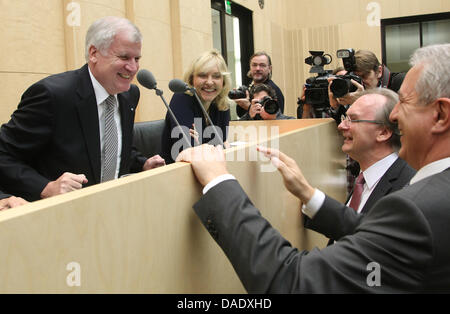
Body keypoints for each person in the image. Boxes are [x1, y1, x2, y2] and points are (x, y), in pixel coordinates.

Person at [176, 43, 450, 293]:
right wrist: (308, 193)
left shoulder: (417, 209)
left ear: (440, 115)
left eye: (404, 102)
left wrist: (219, 181)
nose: (393, 115)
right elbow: (368, 230)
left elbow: (293, 281)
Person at [0, 16, 165, 202]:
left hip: (114, 208)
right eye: (124, 57)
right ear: (94, 53)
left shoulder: (129, 94)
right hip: (61, 216)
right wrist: (46, 187)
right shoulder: (52, 95)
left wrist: (143, 164)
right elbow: (4, 155)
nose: (133, 67)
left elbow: (111, 147)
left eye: (137, 58)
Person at [303, 88, 415, 243]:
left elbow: (371, 243)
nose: (341, 126)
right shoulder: (363, 180)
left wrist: (309, 195)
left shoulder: (407, 188)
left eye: (352, 119)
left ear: (383, 132)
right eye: (345, 118)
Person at [160, 49, 232, 164]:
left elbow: (221, 144)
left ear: (223, 81)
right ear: (191, 79)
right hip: (177, 172)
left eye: (216, 76)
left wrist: (203, 146)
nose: (209, 82)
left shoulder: (222, 103)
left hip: (210, 168)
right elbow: (188, 151)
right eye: (203, 75)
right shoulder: (181, 98)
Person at [337, 49, 405, 106]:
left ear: (379, 71)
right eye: (357, 76)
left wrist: (363, 101)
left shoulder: (399, 82)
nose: (361, 81)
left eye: (364, 76)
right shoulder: (356, 87)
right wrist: (335, 107)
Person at [234, 52, 285, 118]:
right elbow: (241, 115)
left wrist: (249, 107)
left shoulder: (273, 90)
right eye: (254, 65)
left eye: (262, 65)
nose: (257, 68)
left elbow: (277, 119)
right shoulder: (250, 87)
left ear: (270, 69)